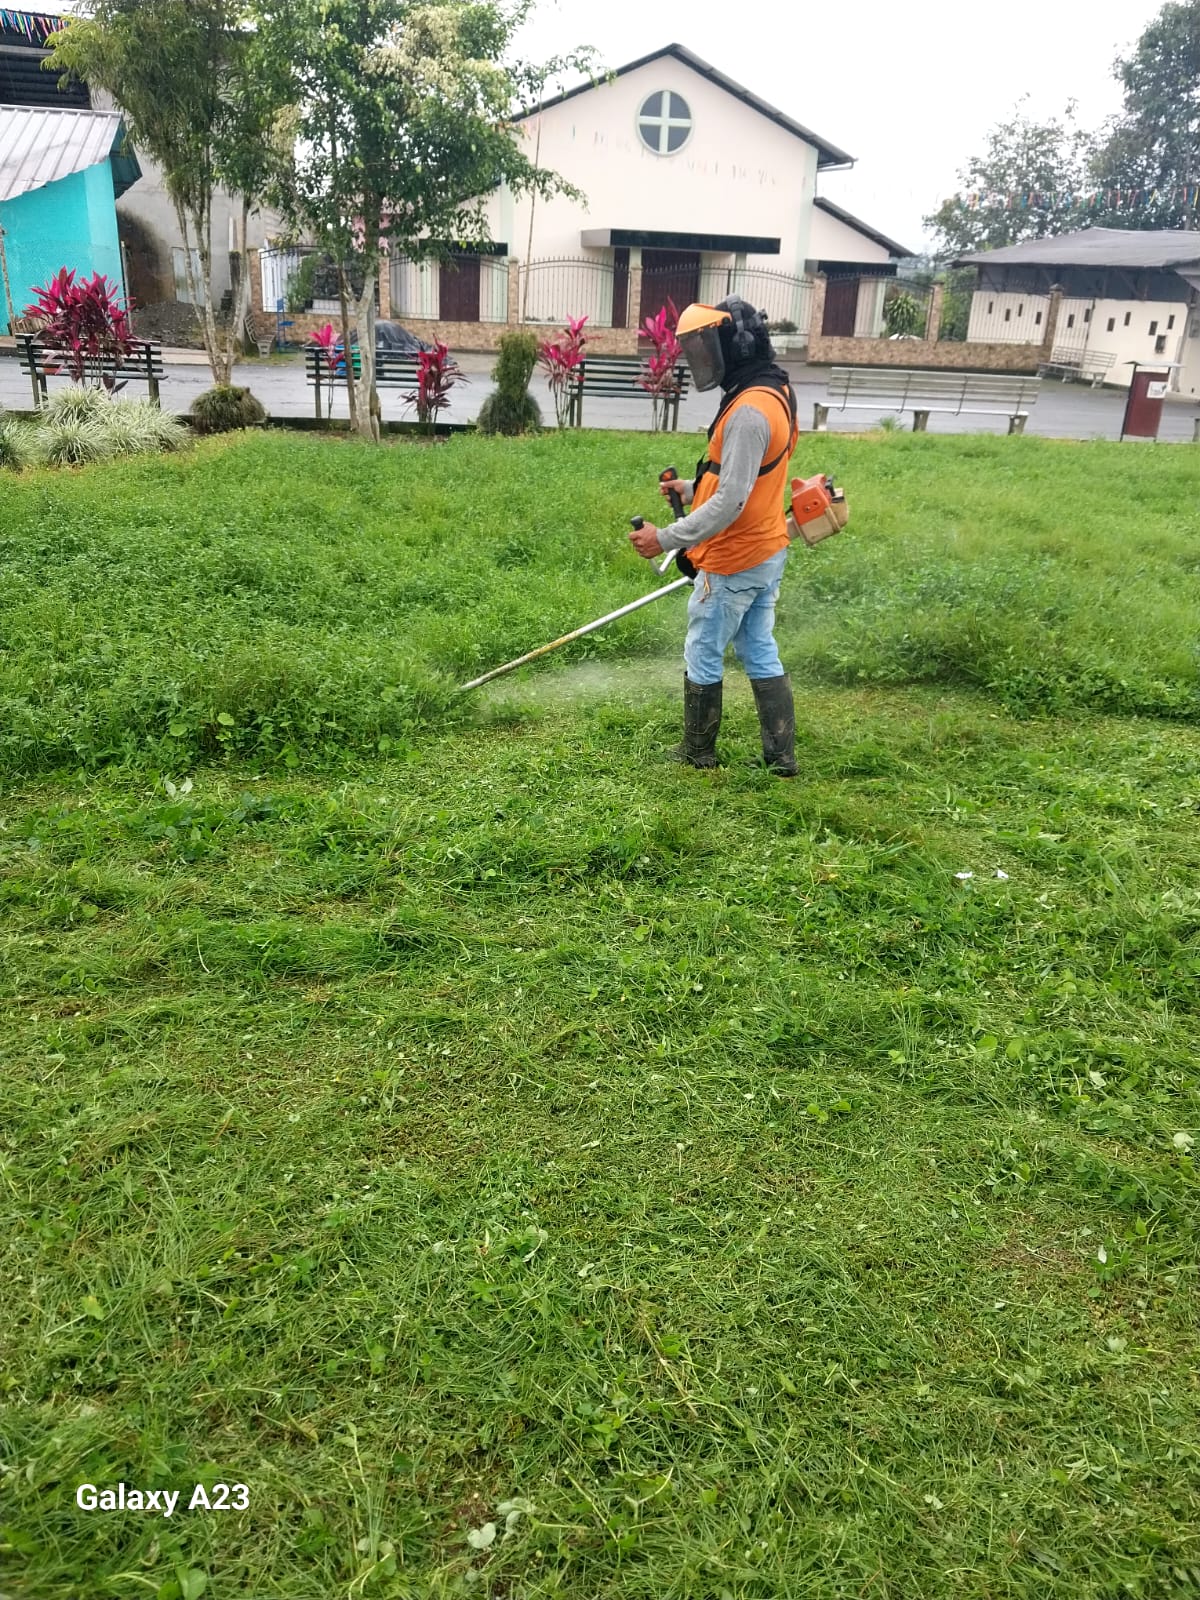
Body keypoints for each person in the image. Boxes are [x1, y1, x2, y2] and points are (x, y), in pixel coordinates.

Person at [628, 297, 800, 776]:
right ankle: (781, 757)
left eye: (706, 347)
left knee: (703, 648)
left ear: (735, 345)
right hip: (767, 549)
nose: (700, 359)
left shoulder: (749, 411)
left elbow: (730, 502)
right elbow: (749, 476)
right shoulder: (775, 389)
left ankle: (697, 751)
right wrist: (690, 487)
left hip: (734, 557)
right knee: (757, 646)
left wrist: (665, 538)